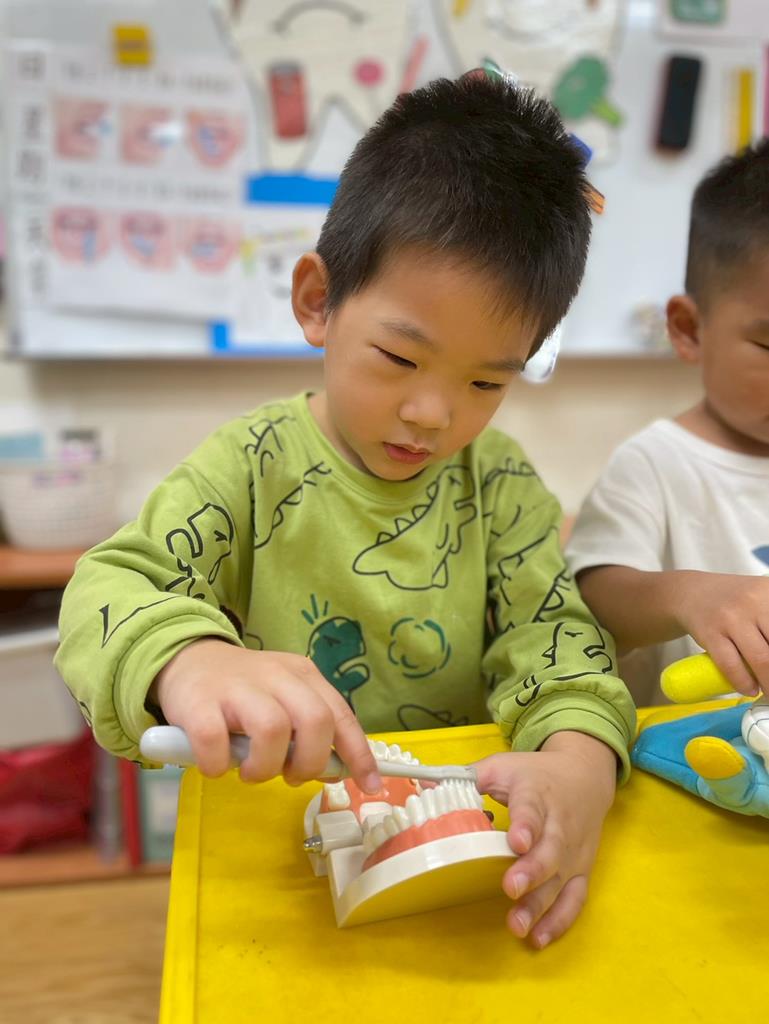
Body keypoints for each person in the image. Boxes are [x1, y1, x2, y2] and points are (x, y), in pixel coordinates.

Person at [56, 75, 635, 949]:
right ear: (317, 300)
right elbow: (107, 588)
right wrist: (189, 658)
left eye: (486, 383)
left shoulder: (502, 487)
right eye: (400, 359)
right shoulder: (250, 467)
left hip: (455, 853)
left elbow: (555, 641)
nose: (433, 414)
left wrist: (577, 764)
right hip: (283, 858)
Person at [567, 138, 769, 707]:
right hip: (695, 749)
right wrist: (690, 596)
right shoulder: (655, 463)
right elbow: (593, 597)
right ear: (688, 329)